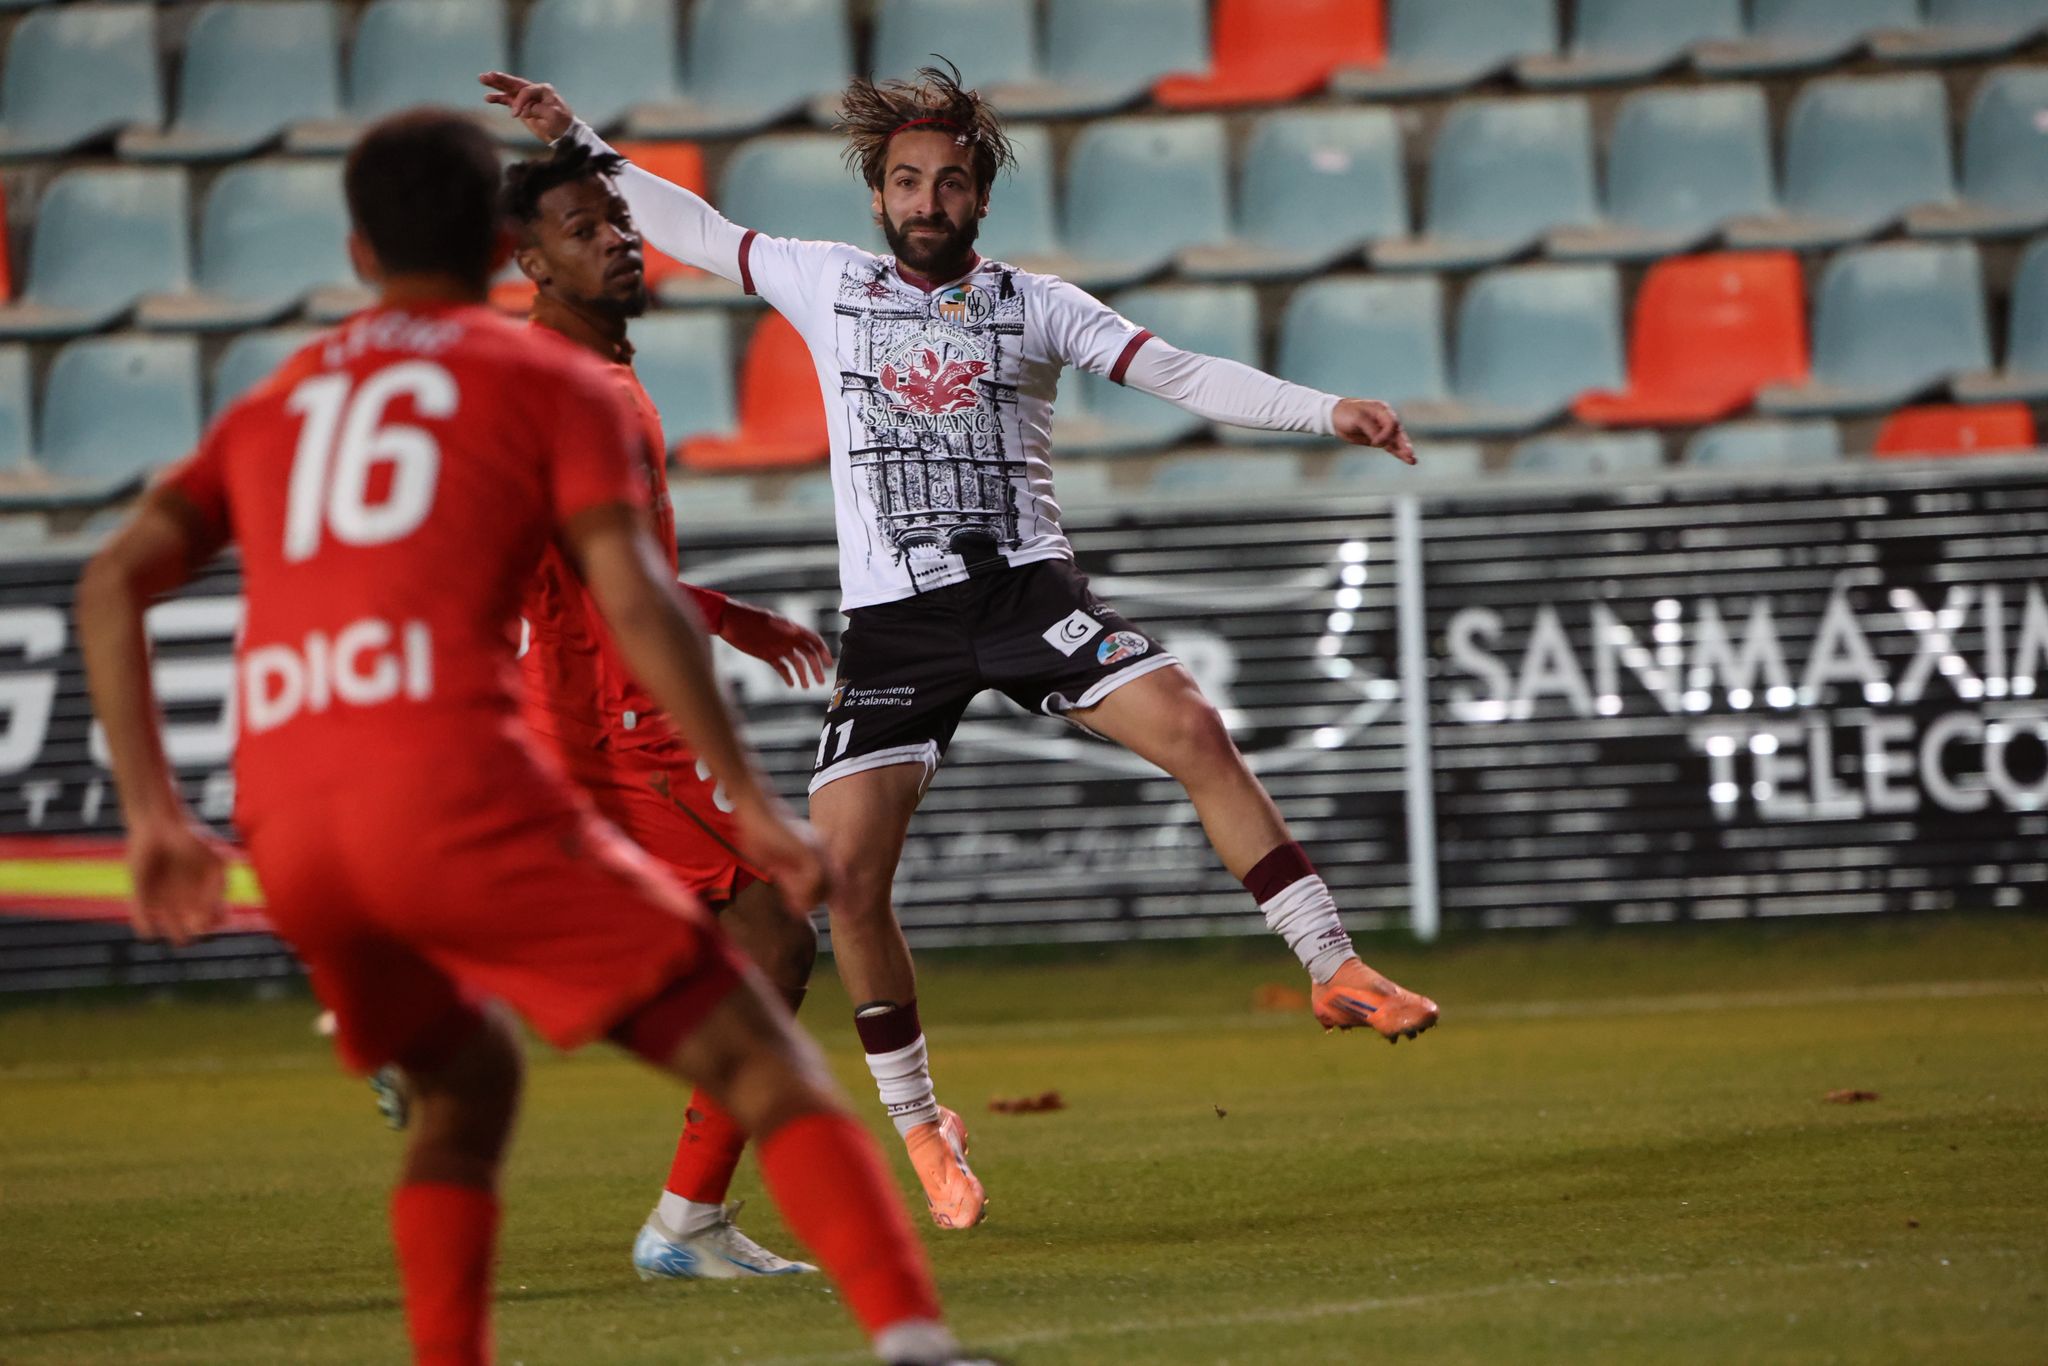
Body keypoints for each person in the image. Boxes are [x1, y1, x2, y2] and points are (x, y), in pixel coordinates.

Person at [75, 108, 984, 1366]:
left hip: (284, 803)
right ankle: (900, 1335)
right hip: (512, 753)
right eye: (588, 224)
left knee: (475, 1087)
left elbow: (112, 583)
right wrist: (752, 788)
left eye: (617, 221)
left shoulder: (290, 393)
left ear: (355, 248)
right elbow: (626, 594)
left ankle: (447, 1025)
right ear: (508, 245)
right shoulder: (550, 382)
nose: (619, 240)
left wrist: (155, 814)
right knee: (764, 1026)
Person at [484, 63, 1440, 1234]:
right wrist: (576, 138)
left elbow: (1175, 369)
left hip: (1025, 595)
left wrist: (1322, 407)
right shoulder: (825, 282)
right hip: (898, 625)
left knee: (1191, 726)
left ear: (979, 200)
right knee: (845, 883)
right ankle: (926, 1127)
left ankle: (1331, 964)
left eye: (947, 183)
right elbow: (695, 229)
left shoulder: (1037, 304)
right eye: (904, 182)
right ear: (878, 197)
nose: (925, 200)